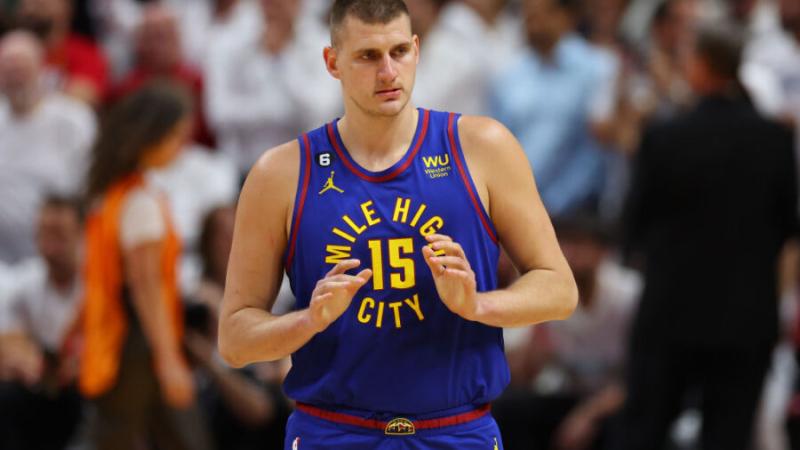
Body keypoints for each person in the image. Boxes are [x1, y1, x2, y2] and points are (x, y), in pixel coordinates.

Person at [216, 0, 578, 448]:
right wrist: (308, 320)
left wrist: (477, 305)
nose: (388, 71)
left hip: (458, 432)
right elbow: (235, 340)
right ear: (332, 62)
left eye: (399, 51)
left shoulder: (484, 146)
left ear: (417, 50)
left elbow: (559, 289)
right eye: (368, 56)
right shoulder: (279, 173)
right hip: (332, 433)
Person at [617, 22, 798, 450]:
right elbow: (787, 228)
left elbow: (634, 227)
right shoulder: (775, 139)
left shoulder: (664, 137)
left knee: (645, 431)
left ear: (701, 65)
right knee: (728, 435)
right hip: (745, 318)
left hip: (669, 312)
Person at [79, 82, 211, 450]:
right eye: (176, 135)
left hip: (123, 338)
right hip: (138, 343)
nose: (181, 145)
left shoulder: (113, 194)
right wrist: (168, 359)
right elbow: (146, 287)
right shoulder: (138, 201)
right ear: (152, 136)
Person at [0, 195, 85, 450]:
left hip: (89, 385)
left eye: (59, 233)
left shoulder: (100, 282)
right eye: (44, 233)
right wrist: (21, 358)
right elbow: (8, 338)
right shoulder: (25, 281)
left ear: (81, 234)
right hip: (43, 382)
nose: (50, 243)